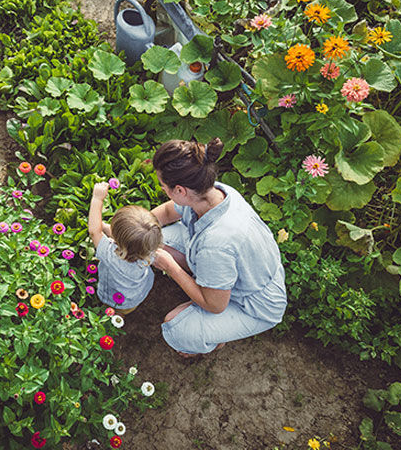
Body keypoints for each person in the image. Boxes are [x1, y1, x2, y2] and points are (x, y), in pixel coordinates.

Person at [150, 138, 287, 357]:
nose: (162, 189)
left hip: (255, 304)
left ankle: (213, 340)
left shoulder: (217, 244)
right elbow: (167, 213)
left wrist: (170, 266)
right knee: (155, 240)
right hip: (241, 269)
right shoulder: (214, 193)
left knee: (177, 329)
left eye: (164, 186)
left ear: (180, 190)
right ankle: (209, 286)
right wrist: (139, 225)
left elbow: (214, 305)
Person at [88, 182, 162, 314]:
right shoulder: (150, 248)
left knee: (114, 310)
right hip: (137, 293)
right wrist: (105, 228)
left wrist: (97, 199)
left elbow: (94, 232)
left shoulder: (111, 255)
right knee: (127, 309)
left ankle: (116, 317)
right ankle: (123, 315)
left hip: (116, 297)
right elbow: (130, 241)